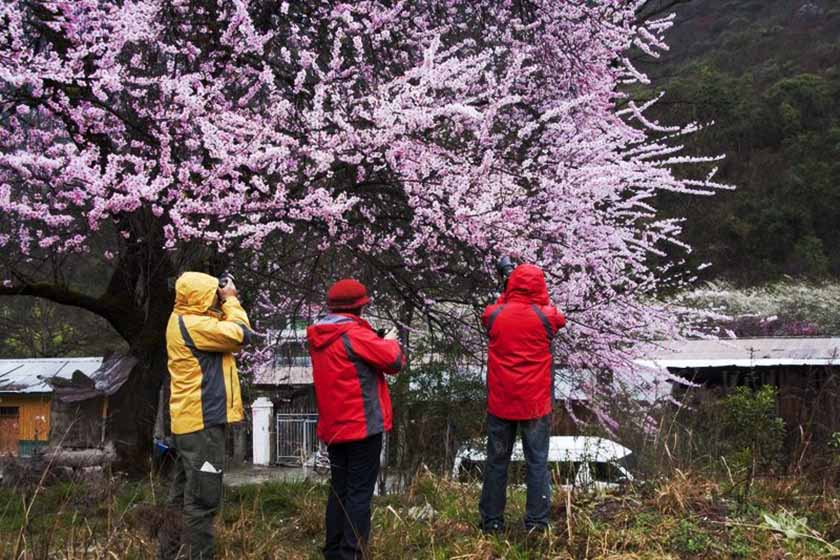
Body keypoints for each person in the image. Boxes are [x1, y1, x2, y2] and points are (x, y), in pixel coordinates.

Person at [307, 279, 406, 560]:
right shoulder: (355, 335)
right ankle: (352, 553)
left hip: (334, 428)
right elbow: (395, 362)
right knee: (359, 494)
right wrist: (388, 340)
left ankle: (334, 551)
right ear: (359, 307)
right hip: (363, 427)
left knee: (339, 490)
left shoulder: (318, 335)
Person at [159, 272, 252, 560]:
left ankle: (170, 554)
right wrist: (232, 301)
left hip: (190, 423)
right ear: (201, 298)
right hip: (202, 424)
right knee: (202, 500)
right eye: (213, 295)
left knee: (181, 497)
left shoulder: (181, 319)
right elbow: (241, 334)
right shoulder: (194, 324)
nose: (217, 299)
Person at [479, 263, 566, 533]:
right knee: (537, 462)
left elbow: (495, 310)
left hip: (501, 402)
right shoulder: (547, 316)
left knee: (496, 462)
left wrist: (507, 293)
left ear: (511, 284)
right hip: (535, 404)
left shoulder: (494, 314)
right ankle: (537, 523)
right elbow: (553, 314)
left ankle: (492, 521)